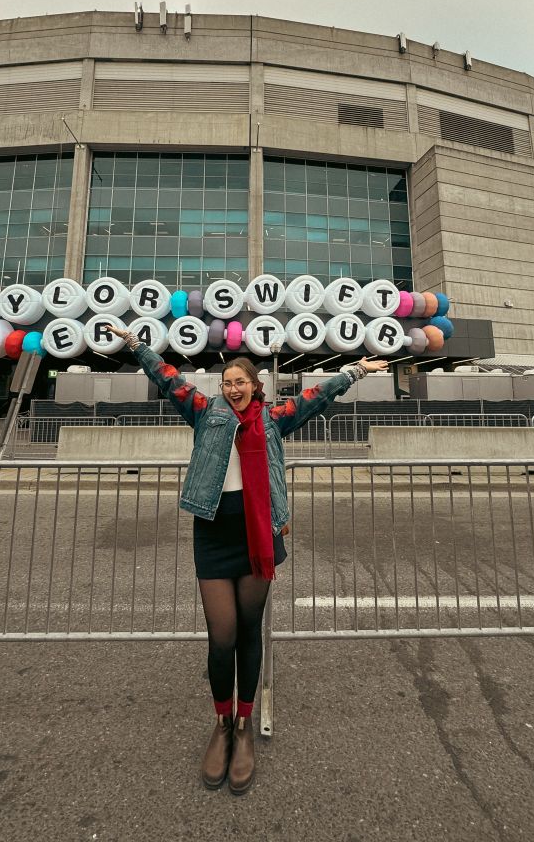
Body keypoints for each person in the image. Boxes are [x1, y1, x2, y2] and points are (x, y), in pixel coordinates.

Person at [106, 325, 388, 794]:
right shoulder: (204, 411)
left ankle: (243, 726)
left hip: (259, 533)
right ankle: (220, 725)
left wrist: (355, 370)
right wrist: (136, 345)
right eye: (227, 382)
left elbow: (317, 396)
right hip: (214, 535)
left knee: (248, 634)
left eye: (241, 382)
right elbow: (168, 377)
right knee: (222, 638)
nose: (233, 388)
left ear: (257, 386)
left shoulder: (275, 417)